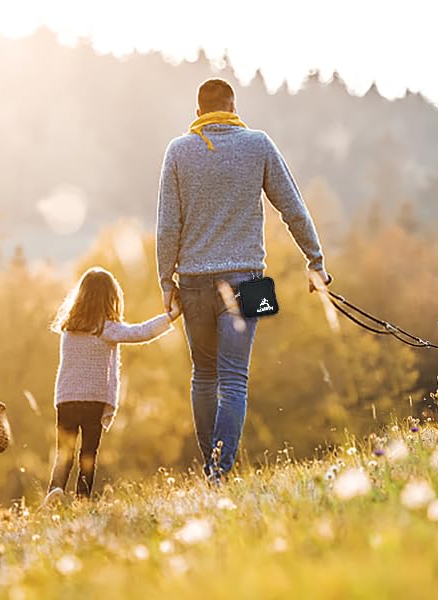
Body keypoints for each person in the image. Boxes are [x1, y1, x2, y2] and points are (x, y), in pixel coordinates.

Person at [156, 78, 331, 480]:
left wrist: (167, 282)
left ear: (198, 112)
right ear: (234, 108)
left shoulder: (179, 151)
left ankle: (211, 469)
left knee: (204, 375)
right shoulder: (259, 144)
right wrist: (315, 260)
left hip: (195, 280)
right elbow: (293, 208)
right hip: (249, 280)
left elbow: (168, 226)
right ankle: (219, 469)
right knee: (234, 377)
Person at [39, 267, 180, 508]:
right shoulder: (104, 329)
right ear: (110, 298)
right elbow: (141, 332)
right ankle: (82, 502)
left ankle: (55, 490)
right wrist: (171, 316)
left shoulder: (69, 329)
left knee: (64, 452)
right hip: (92, 400)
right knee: (88, 453)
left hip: (65, 399)